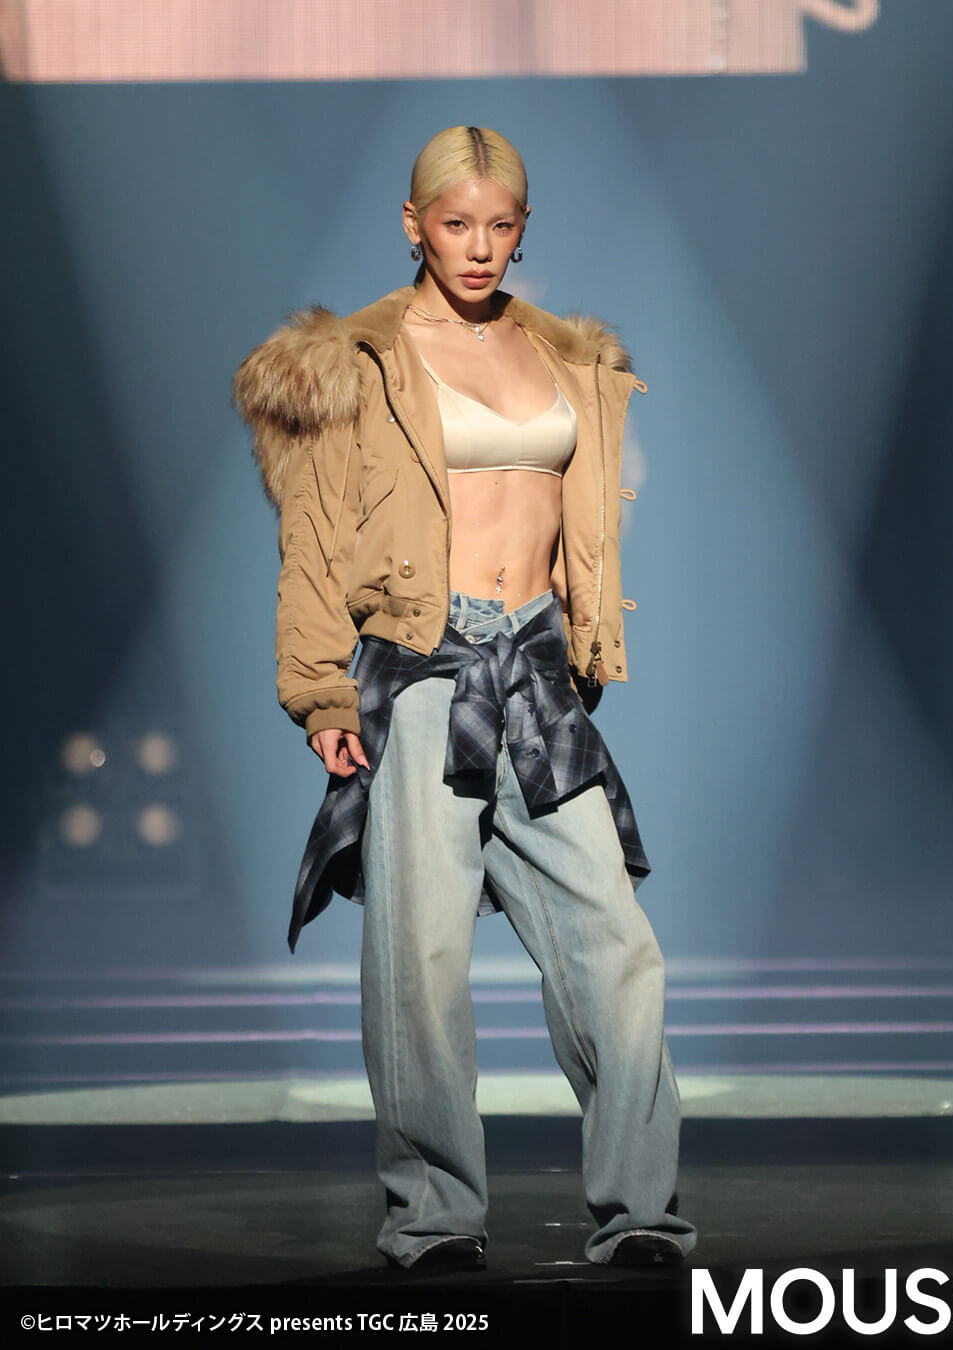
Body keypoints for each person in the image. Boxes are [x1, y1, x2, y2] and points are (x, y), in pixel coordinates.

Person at [233, 125, 696, 1272]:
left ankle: (643, 1214)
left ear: (523, 229)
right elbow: (313, 543)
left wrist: (586, 633)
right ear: (413, 225)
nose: (478, 247)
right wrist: (318, 693)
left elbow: (585, 517)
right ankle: (435, 1222)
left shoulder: (567, 357)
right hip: (421, 670)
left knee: (617, 947)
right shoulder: (357, 361)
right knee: (422, 964)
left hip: (536, 668)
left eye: (499, 226)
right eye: (455, 225)